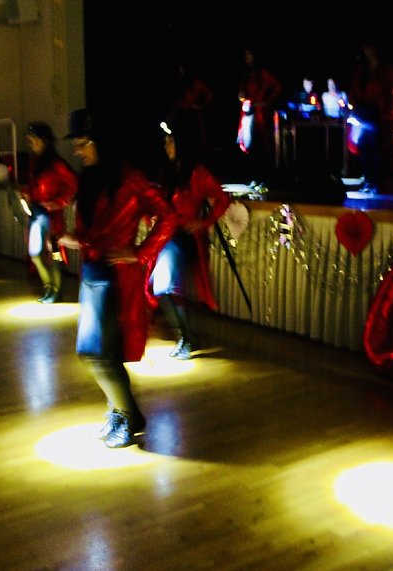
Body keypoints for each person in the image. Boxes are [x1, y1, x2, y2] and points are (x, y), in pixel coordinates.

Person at [59, 108, 175, 449]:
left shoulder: (129, 178)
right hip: (93, 273)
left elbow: (167, 217)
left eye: (83, 143)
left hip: (114, 275)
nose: (78, 151)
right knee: (96, 352)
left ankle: (125, 416)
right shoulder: (92, 177)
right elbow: (92, 231)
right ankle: (125, 413)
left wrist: (139, 253)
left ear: (101, 142)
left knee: (99, 353)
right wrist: (77, 239)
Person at [147, 114, 231, 360]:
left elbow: (222, 199)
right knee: (166, 288)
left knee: (164, 286)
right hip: (166, 235)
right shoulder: (168, 172)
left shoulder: (197, 173)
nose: (166, 145)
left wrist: (202, 223)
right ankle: (186, 337)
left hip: (181, 237)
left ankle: (187, 337)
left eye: (171, 140)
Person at [22, 122, 77, 303]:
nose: (32, 143)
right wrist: (28, 195)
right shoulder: (34, 161)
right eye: (30, 140)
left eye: (34, 140)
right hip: (37, 212)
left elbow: (73, 184)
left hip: (52, 215)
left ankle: (56, 290)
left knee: (54, 253)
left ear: (44, 140)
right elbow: (32, 185)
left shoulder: (56, 163)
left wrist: (58, 202)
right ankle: (48, 286)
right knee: (35, 252)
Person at [348, 41, 393, 194]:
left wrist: (388, 103)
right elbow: (354, 88)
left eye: (370, 48)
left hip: (377, 113)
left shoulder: (386, 69)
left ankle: (376, 182)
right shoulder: (362, 70)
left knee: (375, 147)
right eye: (365, 48)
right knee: (363, 145)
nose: (368, 52)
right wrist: (354, 103)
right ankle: (368, 180)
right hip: (363, 110)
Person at [237, 46, 282, 187]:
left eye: (249, 54)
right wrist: (241, 96)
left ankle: (264, 178)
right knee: (249, 145)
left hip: (260, 113)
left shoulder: (262, 73)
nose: (247, 58)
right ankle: (254, 177)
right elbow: (243, 92)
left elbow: (277, 87)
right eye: (245, 55)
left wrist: (265, 102)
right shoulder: (246, 74)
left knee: (261, 145)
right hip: (247, 112)